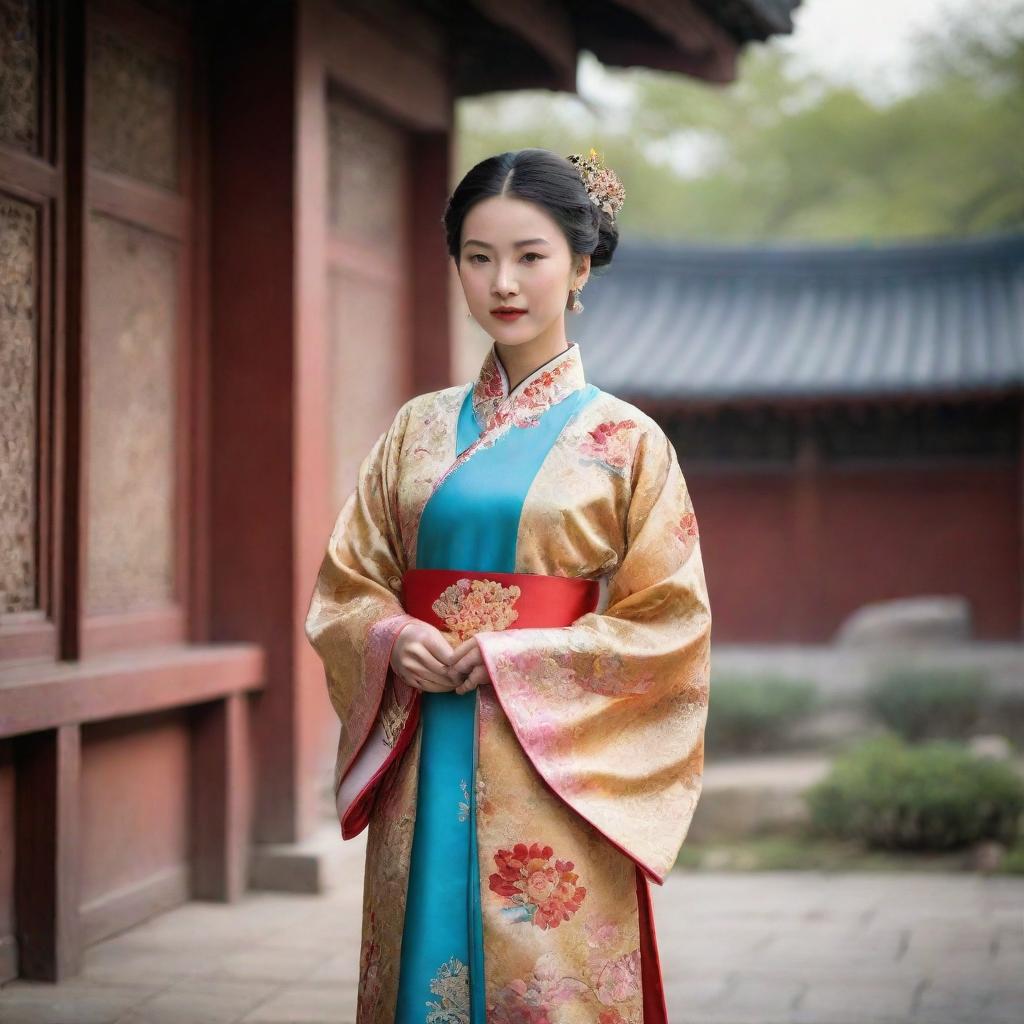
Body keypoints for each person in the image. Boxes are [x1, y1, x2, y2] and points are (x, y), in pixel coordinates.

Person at [304, 147, 712, 1024]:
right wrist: (387, 635)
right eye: (478, 256)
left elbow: (669, 622)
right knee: (422, 957)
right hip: (423, 730)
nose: (504, 282)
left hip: (550, 754)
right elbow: (350, 580)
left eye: (531, 255)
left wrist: (521, 656)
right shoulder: (416, 427)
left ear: (580, 266)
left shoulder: (627, 440)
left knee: (542, 981)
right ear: (455, 265)